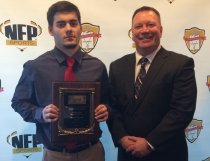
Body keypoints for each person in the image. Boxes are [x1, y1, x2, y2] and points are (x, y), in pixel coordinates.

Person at [11, 1, 109, 161]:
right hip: (55, 154)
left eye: (73, 23)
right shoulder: (35, 67)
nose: (69, 29)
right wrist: (40, 113)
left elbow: (109, 101)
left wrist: (106, 109)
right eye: (61, 24)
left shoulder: (97, 66)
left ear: (80, 28)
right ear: (51, 30)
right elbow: (18, 102)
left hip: (92, 152)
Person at [107, 6, 197, 161]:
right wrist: (121, 137)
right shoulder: (116, 66)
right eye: (138, 26)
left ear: (161, 30)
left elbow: (182, 111)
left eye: (150, 24)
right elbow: (112, 108)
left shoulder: (181, 64)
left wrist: (149, 143)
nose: (144, 30)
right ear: (132, 33)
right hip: (127, 154)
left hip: (167, 154)